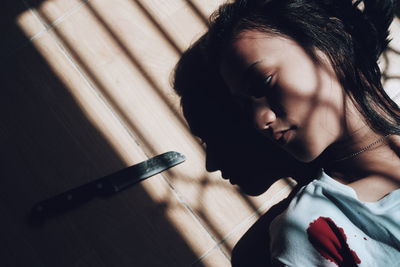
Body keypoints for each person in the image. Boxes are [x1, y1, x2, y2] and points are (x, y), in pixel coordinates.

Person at [173, 0, 400, 266]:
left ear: (330, 36)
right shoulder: (315, 229)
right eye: (245, 108)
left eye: (263, 82)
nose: (260, 121)